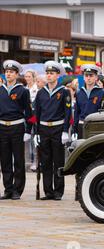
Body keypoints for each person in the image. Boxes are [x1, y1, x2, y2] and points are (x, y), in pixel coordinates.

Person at [34, 61, 71, 201]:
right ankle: (48, 191)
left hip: (57, 128)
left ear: (57, 75)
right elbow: (36, 113)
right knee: (46, 161)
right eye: (47, 73)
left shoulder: (64, 91)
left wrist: (65, 131)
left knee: (58, 161)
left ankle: (58, 192)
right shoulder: (41, 93)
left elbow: (68, 113)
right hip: (43, 129)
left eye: (52, 73)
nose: (49, 76)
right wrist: (36, 132)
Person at [0, 60, 33, 200]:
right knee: (5, 160)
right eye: (6, 72)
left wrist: (28, 130)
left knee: (18, 160)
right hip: (2, 127)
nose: (8, 74)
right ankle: (8, 189)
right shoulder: (1, 90)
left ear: (16, 74)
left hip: (17, 127)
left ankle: (17, 190)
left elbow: (29, 112)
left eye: (11, 72)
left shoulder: (23, 91)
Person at [73, 65, 104, 140]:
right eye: (86, 75)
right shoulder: (79, 93)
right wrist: (74, 129)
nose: (88, 78)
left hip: (95, 126)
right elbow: (77, 112)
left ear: (96, 77)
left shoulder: (102, 93)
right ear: (83, 77)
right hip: (81, 125)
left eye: (91, 75)